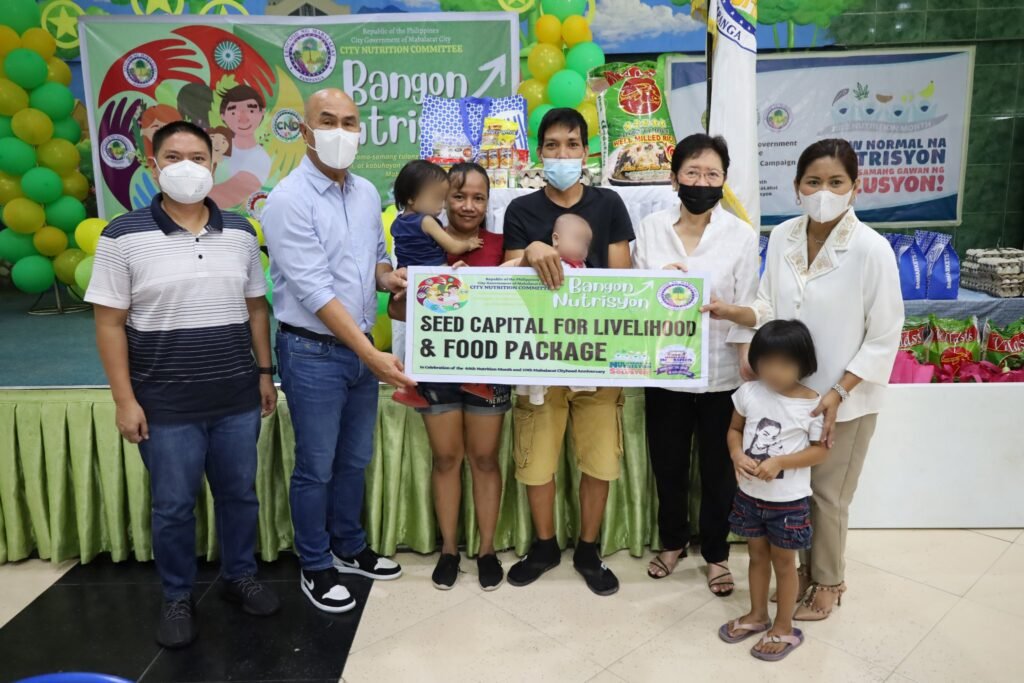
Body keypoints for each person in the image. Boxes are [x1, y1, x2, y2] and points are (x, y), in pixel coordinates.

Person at [86, 120, 280, 648]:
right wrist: (124, 401)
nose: (187, 167)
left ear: (214, 164)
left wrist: (265, 373)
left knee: (239, 495)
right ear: (154, 165)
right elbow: (109, 323)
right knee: (173, 506)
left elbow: (256, 308)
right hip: (164, 402)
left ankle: (240, 576)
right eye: (174, 157)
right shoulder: (122, 235)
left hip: (236, 395)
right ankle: (176, 595)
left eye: (198, 157)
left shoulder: (241, 231)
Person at [706, 138, 903, 620]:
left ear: (855, 187)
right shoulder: (783, 236)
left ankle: (829, 582)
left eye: (836, 182)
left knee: (829, 495)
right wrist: (735, 313)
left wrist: (839, 391)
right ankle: (804, 574)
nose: (823, 192)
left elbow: (884, 335)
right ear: (796, 186)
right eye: (813, 182)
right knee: (796, 491)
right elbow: (768, 305)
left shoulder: (871, 249)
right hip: (788, 395)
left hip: (845, 397)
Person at [262, 89, 412, 613]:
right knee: (317, 465)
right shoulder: (288, 200)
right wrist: (371, 355)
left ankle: (349, 545)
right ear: (305, 132)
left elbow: (375, 258)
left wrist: (391, 279)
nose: (340, 132)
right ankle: (315, 562)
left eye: (350, 122)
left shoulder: (367, 192)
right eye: (328, 122)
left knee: (354, 459)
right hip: (312, 353)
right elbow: (315, 292)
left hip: (359, 350)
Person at [502, 107, 634, 596]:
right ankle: (543, 546)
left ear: (586, 152)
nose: (563, 153)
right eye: (553, 145)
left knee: (599, 459)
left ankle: (588, 549)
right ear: (539, 153)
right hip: (538, 357)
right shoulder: (520, 210)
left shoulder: (610, 204)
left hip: (598, 355)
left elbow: (623, 280)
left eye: (572, 144)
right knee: (536, 460)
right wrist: (529, 252)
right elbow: (507, 280)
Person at [631, 134, 759, 596]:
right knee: (668, 464)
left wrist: (736, 332)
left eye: (712, 174)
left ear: (723, 181)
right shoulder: (651, 228)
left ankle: (716, 554)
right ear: (674, 178)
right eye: (692, 173)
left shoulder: (741, 235)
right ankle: (672, 543)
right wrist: (657, 285)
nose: (701, 182)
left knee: (717, 471)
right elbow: (633, 293)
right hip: (664, 368)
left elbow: (751, 305)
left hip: (721, 372)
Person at [388, 162, 510, 591]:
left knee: (485, 459)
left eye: (478, 197)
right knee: (445, 459)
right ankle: (449, 551)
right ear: (442, 200)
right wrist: (404, 288)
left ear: (488, 202)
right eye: (458, 196)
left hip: (489, 368)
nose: (467, 205)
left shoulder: (500, 245)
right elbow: (398, 311)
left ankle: (487, 550)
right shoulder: (422, 244)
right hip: (436, 368)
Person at [720, 320, 826, 662]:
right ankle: (757, 615)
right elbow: (735, 430)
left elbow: (820, 451)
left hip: (788, 503)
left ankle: (783, 627)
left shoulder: (812, 404)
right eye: (766, 362)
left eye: (784, 364)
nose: (774, 372)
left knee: (784, 563)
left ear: (803, 363)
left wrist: (780, 462)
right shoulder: (749, 392)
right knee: (756, 557)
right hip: (750, 496)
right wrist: (736, 454)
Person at [387, 159, 487, 409]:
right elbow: (451, 246)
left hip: (410, 279)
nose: (440, 206)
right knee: (462, 322)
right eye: (436, 199)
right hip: (434, 274)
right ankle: (474, 377)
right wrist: (468, 244)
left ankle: (406, 386)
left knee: (419, 335)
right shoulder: (426, 221)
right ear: (412, 198)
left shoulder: (397, 222)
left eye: (442, 200)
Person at [515, 214, 595, 406]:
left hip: (573, 330)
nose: (582, 247)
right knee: (541, 366)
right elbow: (510, 273)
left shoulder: (584, 268)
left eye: (586, 243)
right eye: (577, 239)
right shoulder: (540, 263)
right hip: (544, 329)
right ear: (556, 239)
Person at [210, 85, 271, 208]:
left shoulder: (260, 158)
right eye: (233, 112)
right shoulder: (217, 146)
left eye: (251, 111)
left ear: (261, 113)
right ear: (222, 115)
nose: (243, 119)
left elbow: (229, 195)